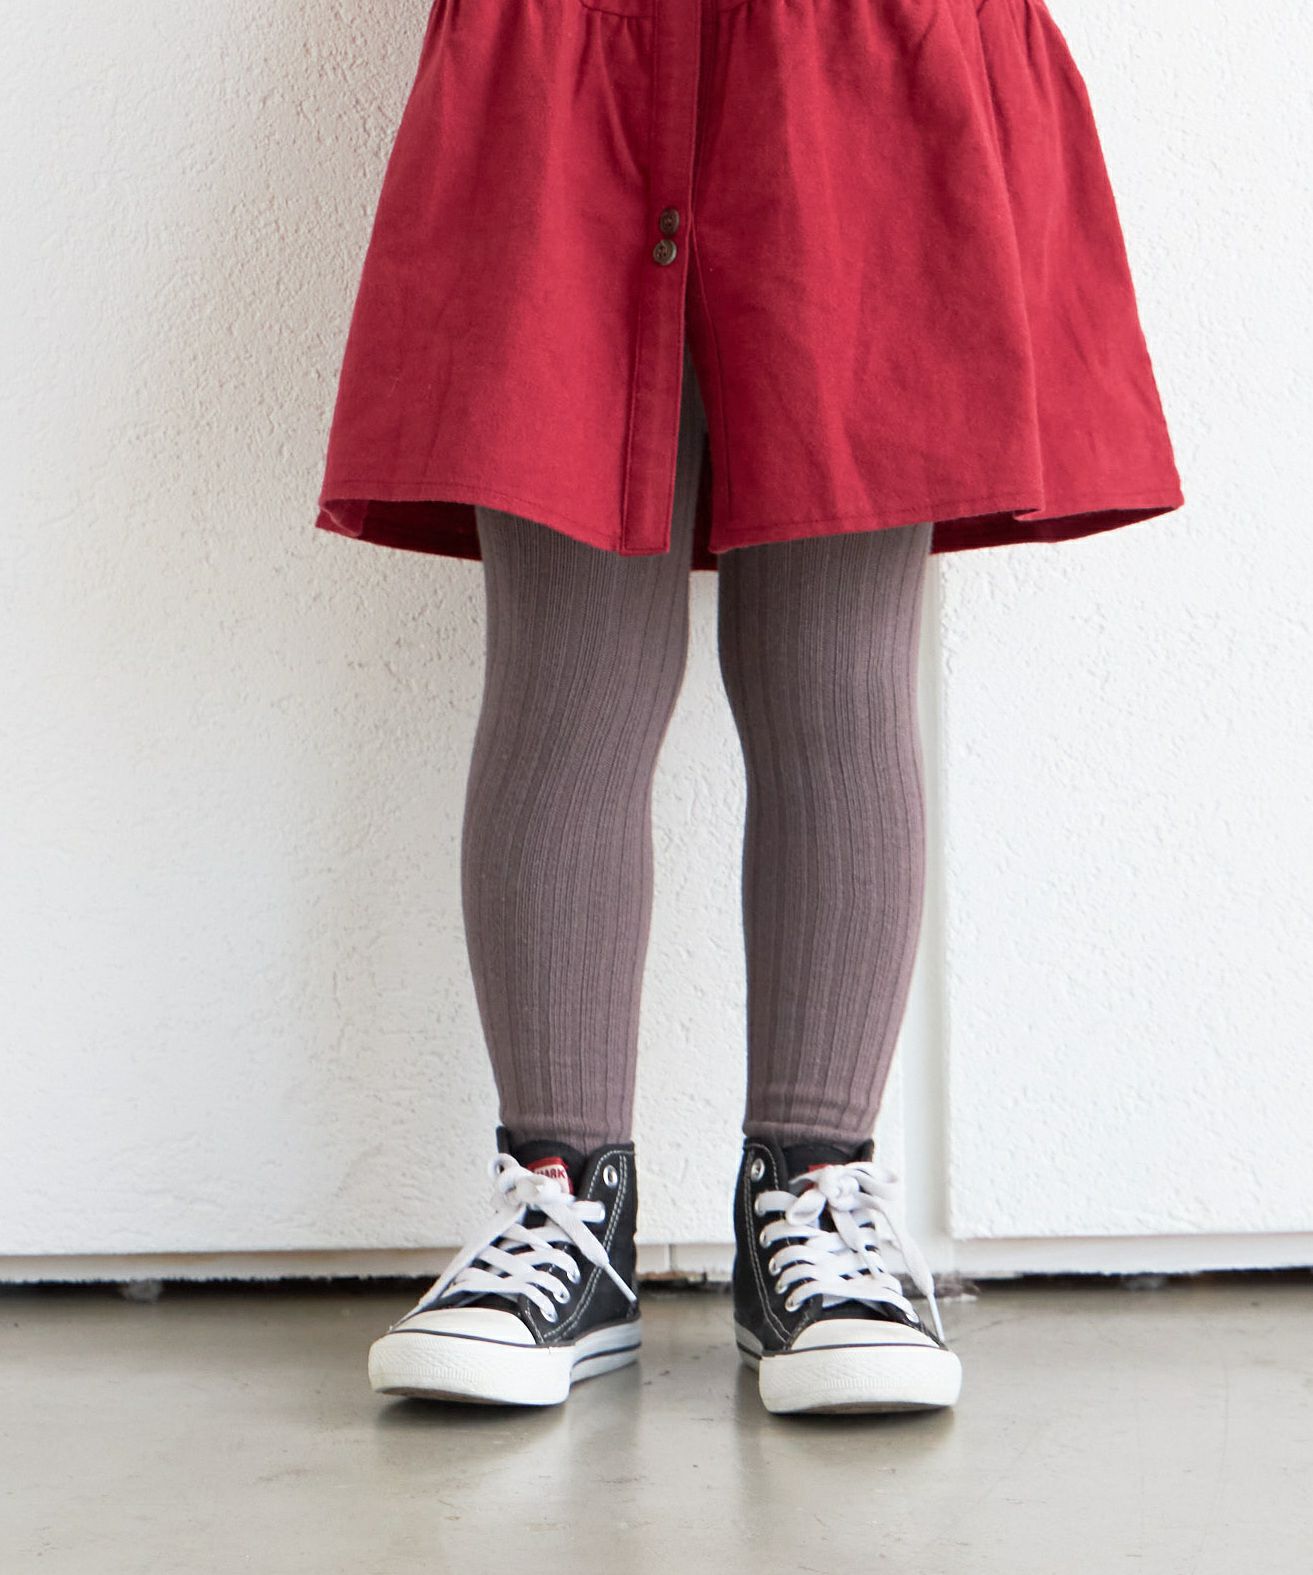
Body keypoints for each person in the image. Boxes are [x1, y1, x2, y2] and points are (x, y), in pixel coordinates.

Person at [313, 0, 1182, 1416]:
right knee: (567, 678)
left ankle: (815, 1198)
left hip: (860, 66)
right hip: (570, 60)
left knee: (834, 678)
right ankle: (564, 1206)